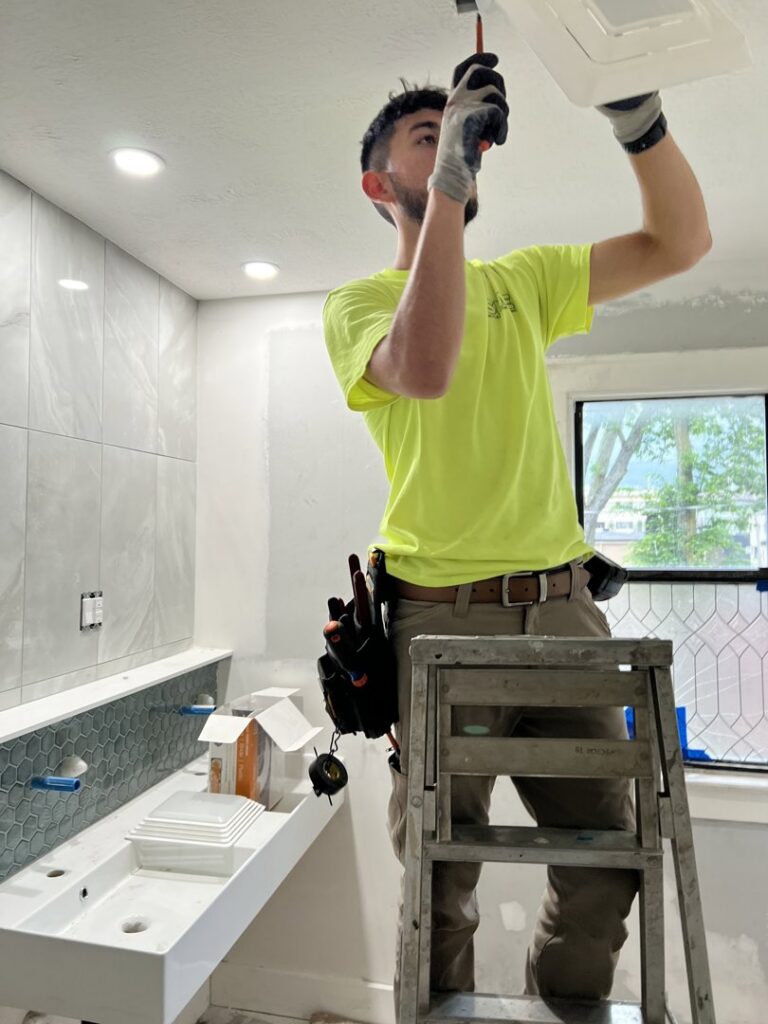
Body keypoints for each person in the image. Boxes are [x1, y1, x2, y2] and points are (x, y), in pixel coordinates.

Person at [322, 52, 711, 1009]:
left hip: (566, 617)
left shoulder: (524, 283)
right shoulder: (357, 305)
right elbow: (424, 366)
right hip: (437, 625)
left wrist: (638, 117)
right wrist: (450, 181)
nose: (454, 139)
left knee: (607, 864)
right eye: (427, 133)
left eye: (459, 130)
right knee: (439, 883)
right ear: (381, 185)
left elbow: (681, 240)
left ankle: (561, 1012)